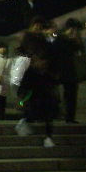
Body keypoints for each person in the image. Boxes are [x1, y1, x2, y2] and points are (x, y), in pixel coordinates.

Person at [15, 16, 57, 146]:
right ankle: (26, 121)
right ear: (32, 25)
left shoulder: (45, 40)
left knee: (48, 106)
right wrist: (35, 60)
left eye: (40, 25)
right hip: (33, 75)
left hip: (45, 76)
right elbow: (25, 52)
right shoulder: (28, 37)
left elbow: (52, 55)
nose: (38, 27)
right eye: (36, 25)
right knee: (35, 103)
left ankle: (48, 137)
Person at [52, 18, 82, 123]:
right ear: (70, 28)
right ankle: (68, 116)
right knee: (69, 95)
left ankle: (70, 117)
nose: (74, 31)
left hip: (70, 70)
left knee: (71, 95)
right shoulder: (60, 40)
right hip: (64, 71)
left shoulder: (69, 40)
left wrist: (76, 40)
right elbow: (55, 56)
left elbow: (78, 49)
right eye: (73, 29)